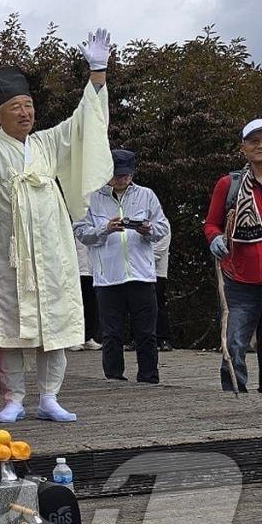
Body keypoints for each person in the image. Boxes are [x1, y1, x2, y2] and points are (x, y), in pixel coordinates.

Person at [0, 28, 113, 423]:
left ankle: (50, 397)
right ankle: (12, 399)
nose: (25, 112)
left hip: (51, 249)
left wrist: (96, 73)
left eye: (29, 105)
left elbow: (85, 124)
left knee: (55, 322)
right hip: (7, 250)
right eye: (15, 106)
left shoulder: (47, 143)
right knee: (9, 326)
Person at [74, 149, 169, 384]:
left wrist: (147, 229)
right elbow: (81, 232)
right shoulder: (91, 198)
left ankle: (149, 378)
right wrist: (105, 229)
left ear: (133, 172)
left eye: (125, 175)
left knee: (147, 333)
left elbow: (162, 227)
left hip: (142, 275)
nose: (121, 179)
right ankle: (114, 378)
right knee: (111, 333)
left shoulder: (146, 195)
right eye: (117, 175)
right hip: (108, 277)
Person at [205, 118, 262, 393]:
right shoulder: (229, 184)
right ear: (243, 148)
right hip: (239, 279)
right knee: (236, 341)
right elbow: (211, 223)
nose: (260, 145)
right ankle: (234, 393)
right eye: (254, 140)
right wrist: (215, 237)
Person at [68, 237, 104, 351]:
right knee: (75, 305)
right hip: (75, 270)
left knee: (91, 306)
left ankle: (88, 337)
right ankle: (74, 338)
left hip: (91, 270)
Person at [154, 227, 174, 351]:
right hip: (137, 272)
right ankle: (137, 338)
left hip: (157, 272)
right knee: (137, 307)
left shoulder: (162, 222)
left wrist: (140, 257)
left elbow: (160, 247)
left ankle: (164, 338)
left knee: (159, 304)